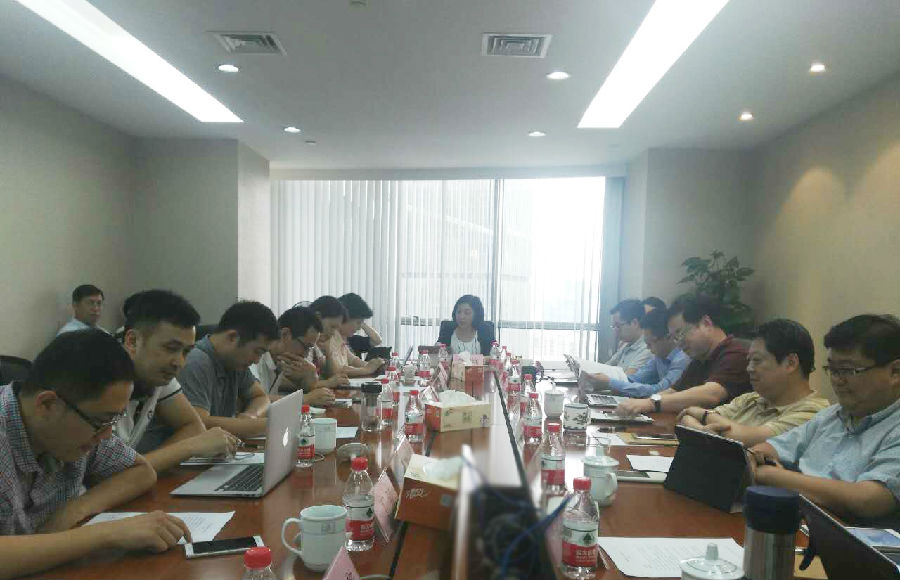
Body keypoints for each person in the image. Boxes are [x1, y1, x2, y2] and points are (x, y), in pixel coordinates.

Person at [0, 330, 191, 579]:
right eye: (102, 421)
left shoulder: (79, 421)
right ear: (47, 404)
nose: (106, 434)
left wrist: (76, 509)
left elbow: (141, 471)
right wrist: (107, 533)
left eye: (113, 420)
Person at [749, 315, 900, 524]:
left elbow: (868, 500)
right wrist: (760, 457)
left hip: (842, 537)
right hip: (795, 521)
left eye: (847, 370)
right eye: (832, 369)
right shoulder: (831, 415)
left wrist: (772, 476)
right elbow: (768, 448)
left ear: (895, 372)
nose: (836, 380)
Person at [119, 290, 239, 471]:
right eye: (171, 348)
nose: (179, 363)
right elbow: (111, 474)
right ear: (133, 341)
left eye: (186, 352)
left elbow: (193, 426)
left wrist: (150, 463)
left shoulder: (157, 375)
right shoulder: (98, 382)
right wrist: (189, 448)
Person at [679, 319, 829, 446]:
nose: (749, 368)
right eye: (749, 361)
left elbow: (747, 438)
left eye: (757, 360)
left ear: (791, 363)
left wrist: (702, 415)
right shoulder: (750, 399)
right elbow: (685, 418)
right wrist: (701, 430)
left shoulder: (814, 414)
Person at [617, 295, 751, 416]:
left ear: (706, 323)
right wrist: (641, 403)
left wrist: (650, 403)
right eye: (675, 338)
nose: (679, 343)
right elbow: (673, 391)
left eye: (680, 334)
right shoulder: (699, 359)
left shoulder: (735, 354)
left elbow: (711, 394)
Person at [177, 301, 277, 438]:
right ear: (233, 337)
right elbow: (198, 424)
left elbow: (260, 397)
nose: (256, 360)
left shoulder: (234, 362)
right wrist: (268, 425)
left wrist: (251, 416)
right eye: (257, 351)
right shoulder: (196, 362)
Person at [587, 307, 690, 398]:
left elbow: (659, 391)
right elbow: (635, 378)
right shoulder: (659, 357)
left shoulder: (682, 359)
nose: (648, 348)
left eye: (650, 343)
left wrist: (610, 382)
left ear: (668, 338)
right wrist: (607, 382)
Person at [256, 306, 336, 406]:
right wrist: (305, 399)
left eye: (310, 349)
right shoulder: (256, 357)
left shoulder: (281, 360)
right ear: (285, 334)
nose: (306, 355)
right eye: (305, 347)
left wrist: (307, 379)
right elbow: (255, 400)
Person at [324, 294, 385, 378]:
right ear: (344, 318)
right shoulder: (328, 336)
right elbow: (337, 370)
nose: (360, 328)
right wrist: (367, 369)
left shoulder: (339, 337)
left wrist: (375, 366)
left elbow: (353, 360)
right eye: (358, 322)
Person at [308, 296, 353, 387]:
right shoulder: (302, 342)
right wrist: (328, 383)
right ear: (318, 317)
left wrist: (328, 351)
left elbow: (332, 375)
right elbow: (298, 385)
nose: (333, 333)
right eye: (332, 327)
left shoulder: (316, 345)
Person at [605, 299, 654, 374]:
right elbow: (607, 366)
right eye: (613, 326)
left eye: (618, 326)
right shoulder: (626, 344)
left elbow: (627, 378)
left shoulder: (647, 349)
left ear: (634, 323)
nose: (615, 331)